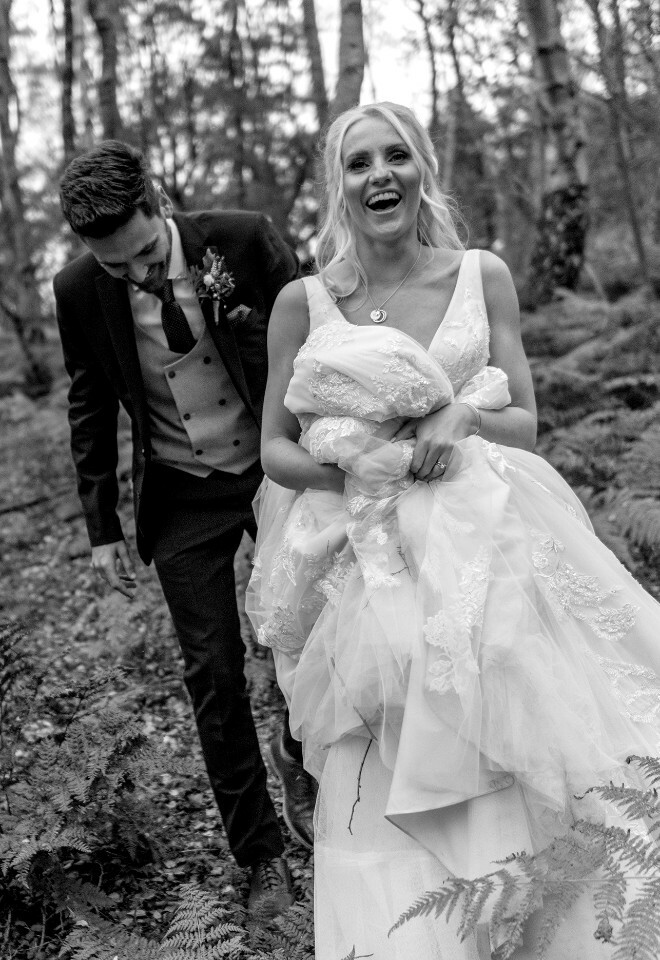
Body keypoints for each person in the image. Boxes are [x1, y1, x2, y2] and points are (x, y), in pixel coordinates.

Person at [245, 101, 660, 958]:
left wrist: (458, 422)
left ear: (424, 167)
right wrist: (360, 473)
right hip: (364, 565)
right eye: (359, 163)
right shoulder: (303, 300)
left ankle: (536, 922)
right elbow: (275, 449)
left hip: (492, 544)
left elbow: (525, 421)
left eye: (396, 156)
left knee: (509, 723)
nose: (380, 175)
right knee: (388, 748)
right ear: (339, 184)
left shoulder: (483, 274)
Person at [54, 140, 317, 919]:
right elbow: (89, 402)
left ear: (158, 201)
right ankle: (261, 856)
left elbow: (320, 344)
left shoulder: (242, 238)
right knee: (213, 674)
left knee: (310, 638)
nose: (134, 276)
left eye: (140, 256)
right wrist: (100, 527)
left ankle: (305, 757)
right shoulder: (75, 290)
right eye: (114, 267)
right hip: (181, 493)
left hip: (277, 468)